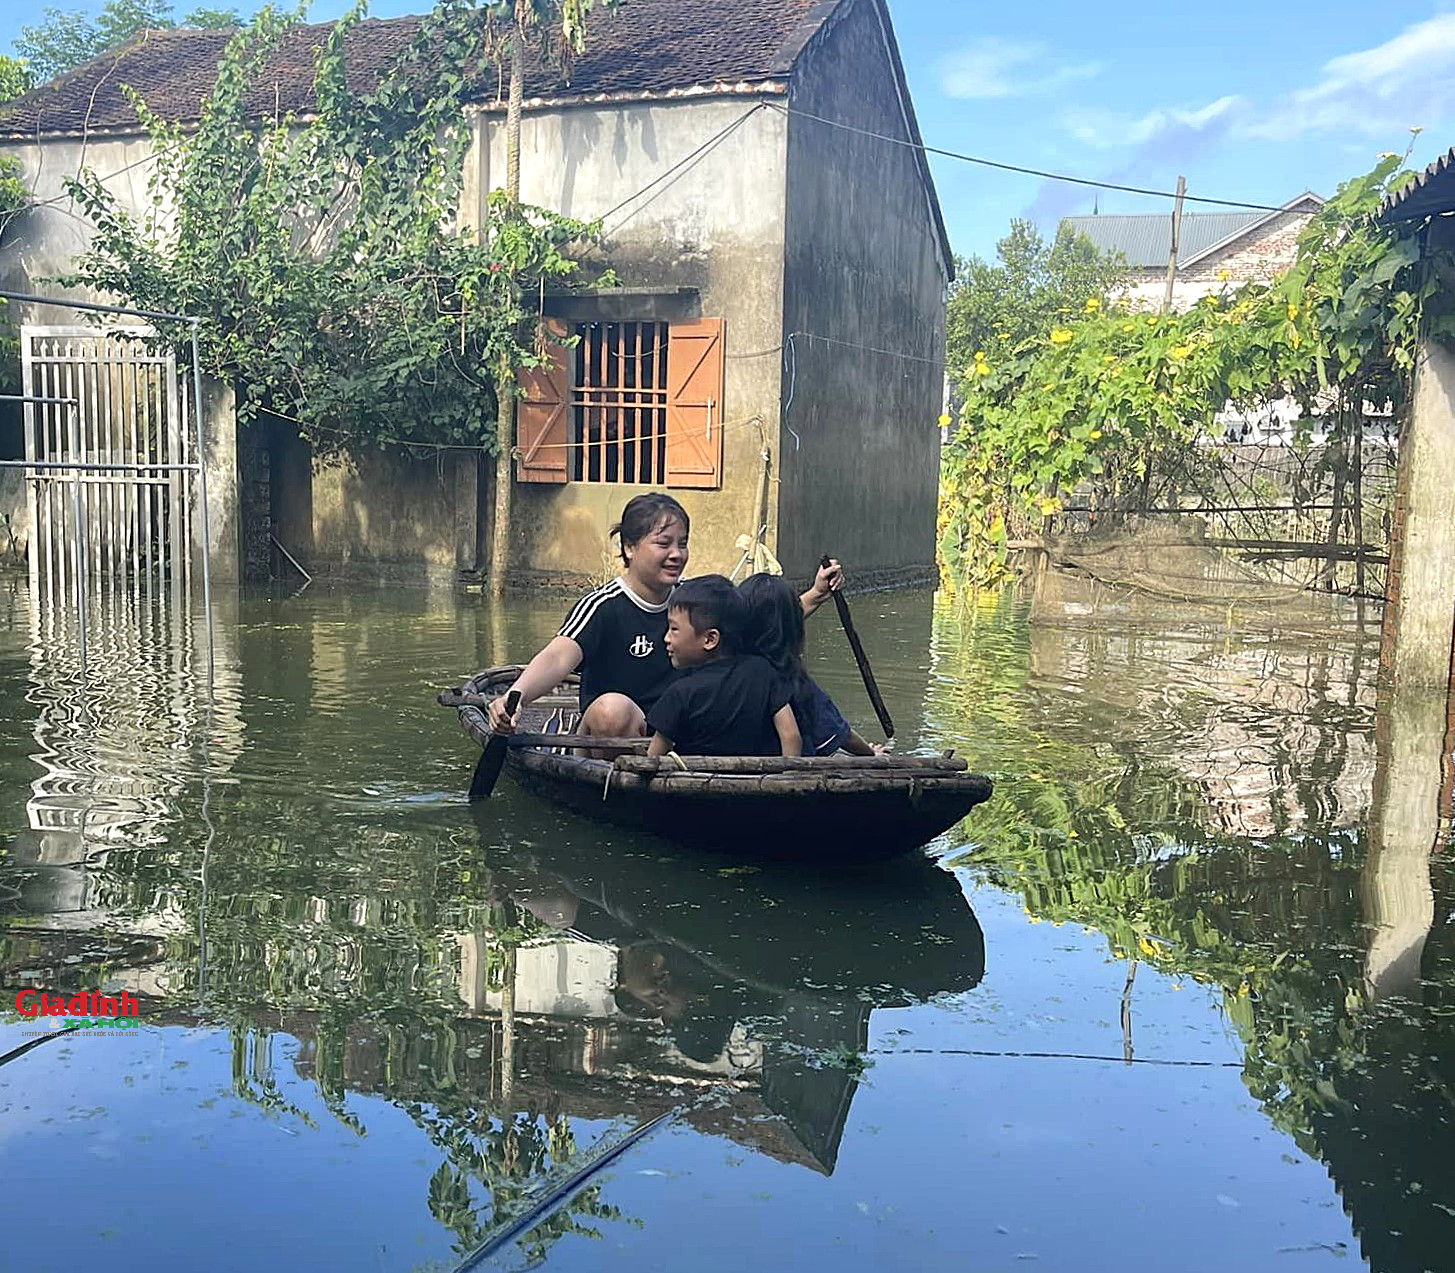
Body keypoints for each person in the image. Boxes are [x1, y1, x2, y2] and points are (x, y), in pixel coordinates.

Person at [486, 492, 843, 742]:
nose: (676, 554)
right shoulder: (603, 605)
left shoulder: (694, 601)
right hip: (618, 736)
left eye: (682, 543)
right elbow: (558, 655)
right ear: (629, 547)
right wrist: (514, 697)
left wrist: (815, 595)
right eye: (663, 543)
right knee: (613, 710)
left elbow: (761, 626)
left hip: (681, 731)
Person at [645, 575, 801, 758]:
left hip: (694, 783)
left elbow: (653, 757)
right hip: (757, 780)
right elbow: (791, 735)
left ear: (710, 639)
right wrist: (787, 777)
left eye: (674, 629)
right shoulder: (763, 671)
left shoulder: (680, 693)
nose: (666, 638)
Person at [738, 571, 884, 757]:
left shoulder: (730, 667)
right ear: (796, 631)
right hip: (789, 769)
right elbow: (843, 735)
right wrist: (871, 754)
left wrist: (816, 593)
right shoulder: (793, 681)